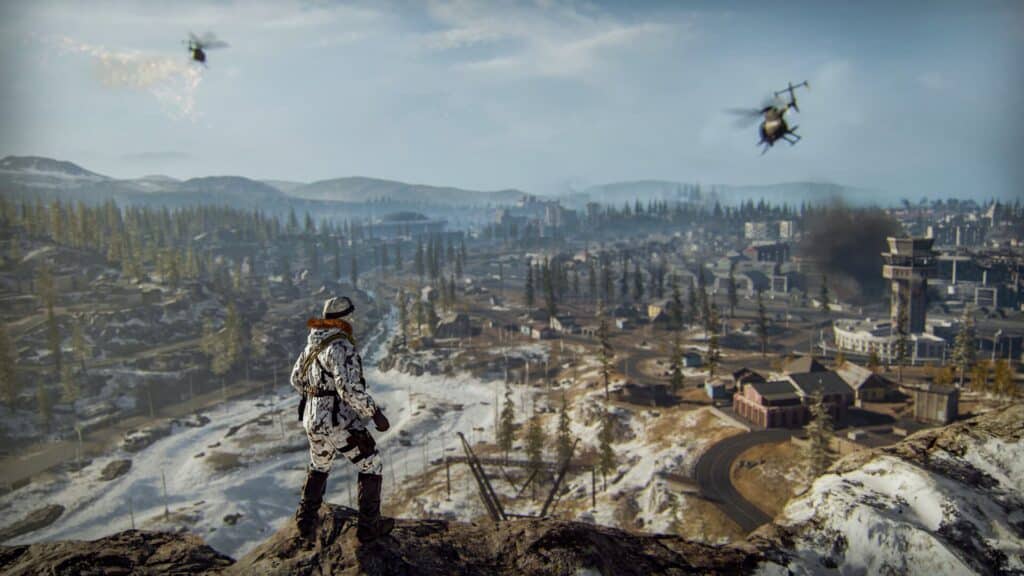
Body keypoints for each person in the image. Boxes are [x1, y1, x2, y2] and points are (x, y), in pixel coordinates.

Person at [290, 296, 393, 545]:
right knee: (371, 462)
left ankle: (305, 520)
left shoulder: (311, 346)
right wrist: (375, 413)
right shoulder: (340, 346)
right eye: (350, 316)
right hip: (338, 420)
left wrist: (315, 397)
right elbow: (348, 389)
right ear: (343, 318)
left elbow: (295, 379)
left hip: (312, 420)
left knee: (319, 464)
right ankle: (369, 526)